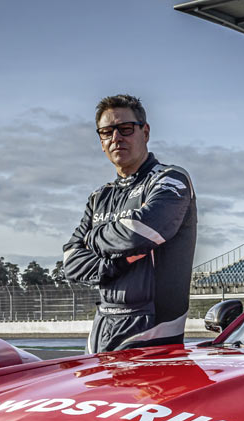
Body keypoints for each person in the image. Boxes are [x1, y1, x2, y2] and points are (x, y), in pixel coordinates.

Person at [63, 94, 197, 353]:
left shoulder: (171, 179)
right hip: (100, 332)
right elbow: (70, 261)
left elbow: (141, 232)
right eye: (107, 132)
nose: (116, 138)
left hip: (153, 332)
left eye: (125, 129)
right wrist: (116, 262)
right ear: (101, 141)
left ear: (145, 132)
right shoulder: (99, 197)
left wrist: (92, 238)